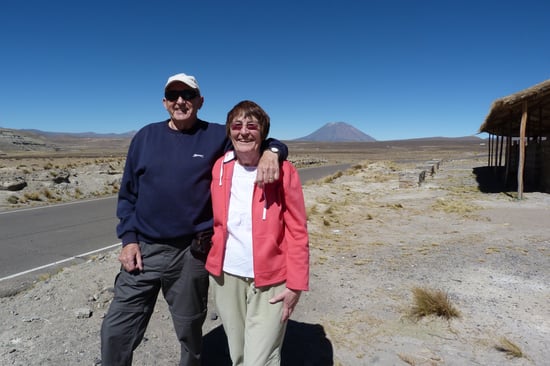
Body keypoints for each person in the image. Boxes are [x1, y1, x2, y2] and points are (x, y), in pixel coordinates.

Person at [100, 74, 288, 366]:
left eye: (187, 95)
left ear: (200, 101)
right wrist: (128, 240)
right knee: (116, 330)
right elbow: (128, 196)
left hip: (191, 253)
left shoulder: (216, 136)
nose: (180, 101)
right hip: (144, 251)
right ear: (164, 103)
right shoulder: (145, 137)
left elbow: (256, 137)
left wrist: (273, 152)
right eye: (173, 95)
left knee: (189, 329)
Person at [206, 100, 309, 366]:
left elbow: (297, 231)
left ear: (262, 132)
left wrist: (296, 285)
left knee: (259, 359)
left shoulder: (284, 171)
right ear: (229, 132)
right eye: (237, 126)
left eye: (252, 126)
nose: (243, 132)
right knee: (238, 353)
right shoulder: (220, 167)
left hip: (271, 280)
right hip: (226, 277)